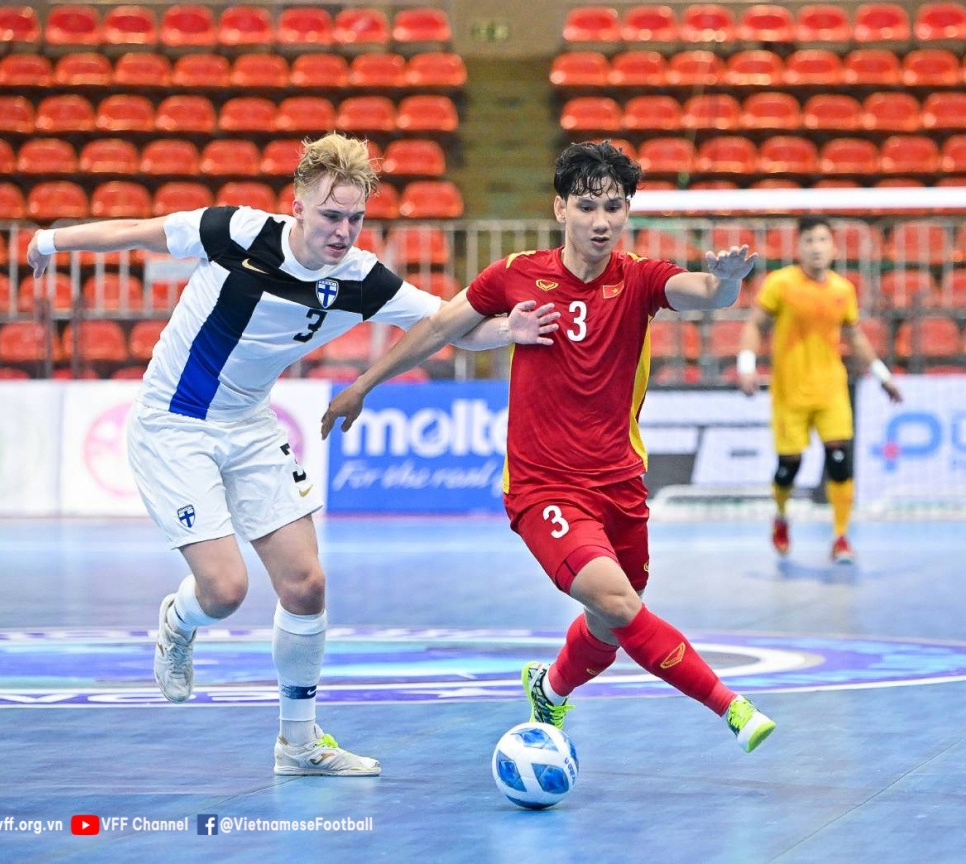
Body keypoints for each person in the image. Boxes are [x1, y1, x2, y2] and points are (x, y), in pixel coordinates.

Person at [26, 132, 557, 776]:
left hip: (251, 424)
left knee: (306, 585)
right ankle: (177, 621)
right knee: (223, 591)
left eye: (356, 219)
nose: (344, 232)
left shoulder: (361, 277)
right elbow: (139, 231)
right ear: (298, 206)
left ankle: (298, 746)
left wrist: (512, 330)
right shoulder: (236, 232)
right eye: (332, 216)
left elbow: (448, 325)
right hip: (173, 424)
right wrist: (52, 240)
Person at [321, 141, 776, 754]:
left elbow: (705, 293)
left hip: (619, 482)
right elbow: (435, 328)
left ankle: (551, 688)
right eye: (587, 206)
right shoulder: (516, 274)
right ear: (560, 208)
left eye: (614, 207)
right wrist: (362, 386)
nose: (601, 221)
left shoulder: (639, 278)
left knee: (613, 624)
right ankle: (731, 707)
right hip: (543, 488)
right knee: (616, 600)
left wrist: (725, 284)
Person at [737, 215, 903, 564]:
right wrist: (747, 367)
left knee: (839, 461)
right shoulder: (779, 284)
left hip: (831, 389)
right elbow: (756, 324)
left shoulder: (844, 290)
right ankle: (781, 516)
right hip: (790, 392)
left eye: (822, 240)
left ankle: (841, 537)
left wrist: (882, 374)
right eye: (809, 241)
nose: (816, 247)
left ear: (834, 247)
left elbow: (854, 335)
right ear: (799, 247)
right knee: (789, 469)